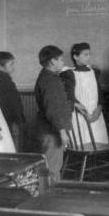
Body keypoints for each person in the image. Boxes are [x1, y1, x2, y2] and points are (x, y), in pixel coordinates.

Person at [29, 45, 72, 183]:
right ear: (53, 61)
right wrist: (62, 132)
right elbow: (53, 109)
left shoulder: (47, 77)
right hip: (51, 132)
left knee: (51, 167)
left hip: (49, 130)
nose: (63, 63)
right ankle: (52, 201)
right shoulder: (50, 80)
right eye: (61, 60)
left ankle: (50, 199)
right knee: (52, 169)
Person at [60, 42, 109, 147]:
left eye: (89, 54)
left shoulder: (94, 72)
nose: (88, 57)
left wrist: (98, 111)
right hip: (80, 115)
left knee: (98, 143)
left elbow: (100, 94)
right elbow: (70, 97)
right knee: (84, 142)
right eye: (85, 55)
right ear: (75, 56)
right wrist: (86, 114)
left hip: (95, 113)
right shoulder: (69, 74)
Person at [0, 51, 25, 150]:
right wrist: (19, 119)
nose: (13, 67)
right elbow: (13, 103)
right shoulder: (4, 81)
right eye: (11, 64)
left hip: (3, 119)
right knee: (12, 146)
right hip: (10, 120)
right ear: (0, 67)